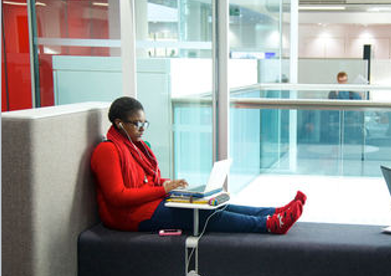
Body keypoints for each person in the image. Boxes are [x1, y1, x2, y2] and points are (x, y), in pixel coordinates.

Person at [91, 96, 306, 235]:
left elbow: (149, 181)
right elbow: (117, 197)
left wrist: (170, 184)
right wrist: (163, 189)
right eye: (137, 123)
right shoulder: (107, 150)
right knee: (204, 214)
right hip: (130, 216)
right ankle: (269, 225)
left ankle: (274, 211)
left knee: (215, 204)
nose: (142, 128)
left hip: (151, 203)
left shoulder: (138, 146)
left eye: (144, 123)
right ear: (119, 124)